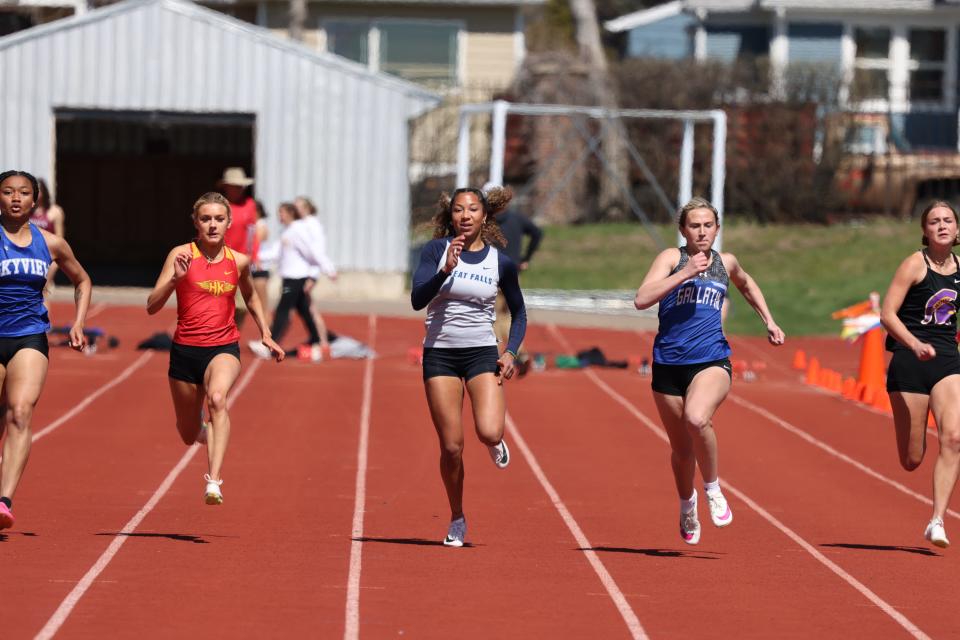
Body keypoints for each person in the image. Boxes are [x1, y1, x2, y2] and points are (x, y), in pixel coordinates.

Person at [634, 197, 784, 545]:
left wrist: (769, 320)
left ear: (717, 229)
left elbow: (746, 284)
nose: (702, 232)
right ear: (683, 230)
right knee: (682, 450)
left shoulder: (725, 262)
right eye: (694, 226)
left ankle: (714, 488)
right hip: (668, 365)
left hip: (711, 360)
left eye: (708, 225)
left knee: (698, 418)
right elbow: (641, 299)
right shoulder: (671, 259)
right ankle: (688, 504)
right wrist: (685, 273)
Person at [147, 192, 283, 506]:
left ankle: (214, 482)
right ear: (195, 222)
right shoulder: (180, 255)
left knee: (217, 399)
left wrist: (266, 332)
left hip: (223, 348)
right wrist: (174, 281)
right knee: (187, 432)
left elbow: (250, 297)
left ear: (228, 222)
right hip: (184, 352)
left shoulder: (239, 261)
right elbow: (151, 306)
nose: (212, 225)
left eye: (219, 219)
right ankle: (208, 433)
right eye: (206, 219)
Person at [410, 185, 526, 547]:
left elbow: (520, 312)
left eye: (473, 209)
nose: (465, 215)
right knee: (452, 448)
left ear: (485, 216)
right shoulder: (435, 251)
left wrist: (511, 353)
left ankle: (495, 442)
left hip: (481, 352)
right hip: (441, 353)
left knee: (490, 432)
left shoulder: (500, 262)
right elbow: (417, 299)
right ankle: (457, 516)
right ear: (451, 216)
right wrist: (444, 270)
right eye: (458, 210)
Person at [0, 170, 92, 530]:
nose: (16, 198)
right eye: (8, 192)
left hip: (29, 336)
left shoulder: (50, 243)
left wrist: (79, 323)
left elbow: (82, 280)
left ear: (35, 201)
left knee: (20, 412)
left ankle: (4, 501)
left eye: (23, 192)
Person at [880, 200, 960, 548]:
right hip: (910, 359)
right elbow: (887, 314)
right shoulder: (915, 264)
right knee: (912, 459)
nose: (942, 225)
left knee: (955, 437)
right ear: (925, 231)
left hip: (946, 360)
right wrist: (913, 344)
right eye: (934, 221)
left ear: (957, 229)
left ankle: (937, 520)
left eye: (948, 220)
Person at [248, 202, 329, 360]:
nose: (279, 216)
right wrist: (255, 257)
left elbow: (312, 252)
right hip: (291, 277)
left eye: (282, 213)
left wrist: (325, 269)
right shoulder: (287, 230)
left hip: (296, 278)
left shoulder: (298, 230)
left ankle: (271, 344)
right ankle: (317, 341)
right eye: (279, 213)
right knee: (304, 311)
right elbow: (276, 252)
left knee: (282, 311)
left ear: (291, 213)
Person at [486, 184, 543, 375]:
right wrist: (525, 258)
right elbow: (537, 233)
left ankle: (495, 355)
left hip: (490, 272)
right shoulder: (517, 218)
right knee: (510, 314)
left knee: (494, 316)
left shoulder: (486, 220)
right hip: (512, 272)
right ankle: (519, 353)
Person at [218, 167, 258, 327]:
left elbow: (253, 233)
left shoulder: (250, 205)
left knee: (241, 306)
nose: (239, 189)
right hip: (221, 259)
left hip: (241, 261)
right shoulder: (219, 205)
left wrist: (254, 255)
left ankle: (233, 335)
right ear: (227, 187)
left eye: (241, 186)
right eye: (235, 186)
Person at [31, 178, 66, 290]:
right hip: (29, 255)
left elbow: (59, 239)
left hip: (47, 256)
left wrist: (54, 264)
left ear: (44, 191)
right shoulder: (27, 210)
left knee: (44, 290)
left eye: (38, 190)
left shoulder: (55, 211)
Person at [250, 200, 272, 321]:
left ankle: (267, 336)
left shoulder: (261, 225)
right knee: (256, 305)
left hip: (260, 267)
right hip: (254, 267)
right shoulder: (254, 225)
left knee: (263, 305)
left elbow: (255, 244)